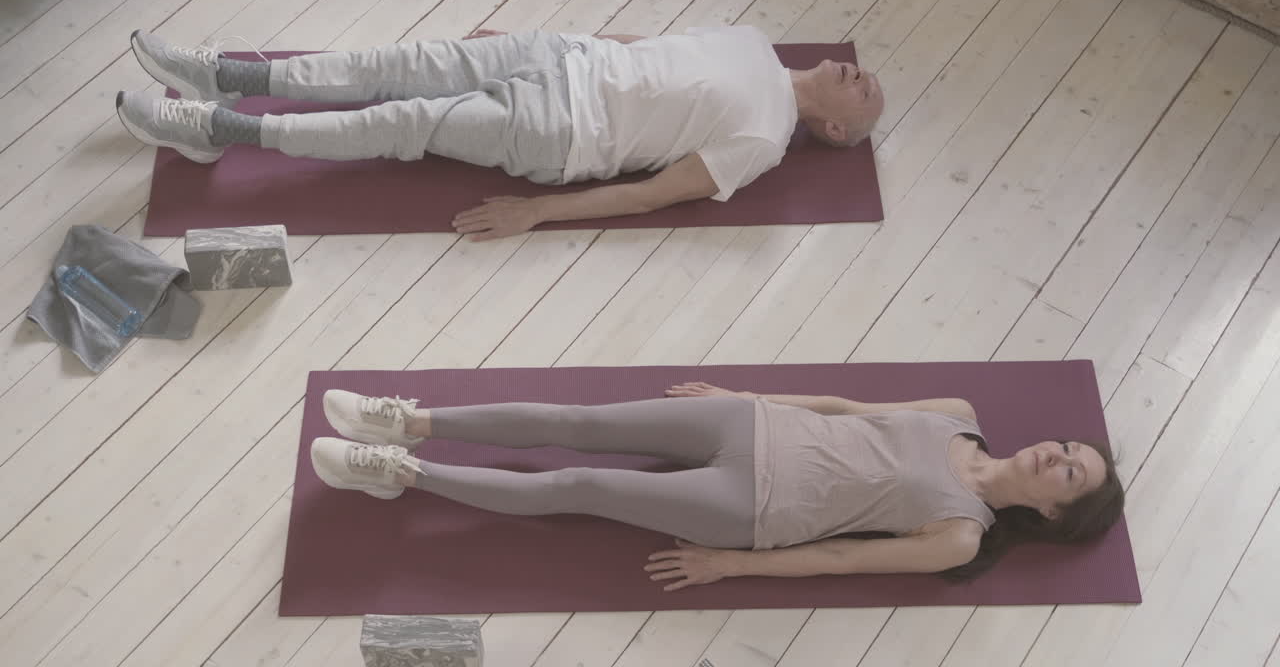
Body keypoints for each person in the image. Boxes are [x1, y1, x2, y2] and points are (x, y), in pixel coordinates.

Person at [309, 382, 1124, 591]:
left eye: (1069, 471)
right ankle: (408, 422)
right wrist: (746, 395)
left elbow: (841, 561)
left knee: (579, 481)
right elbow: (848, 407)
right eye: (1067, 446)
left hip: (755, 509)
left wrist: (734, 567)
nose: (1056, 453)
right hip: (751, 424)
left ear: (1052, 509)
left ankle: (400, 476)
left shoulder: (961, 532)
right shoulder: (958, 414)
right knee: (577, 421)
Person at [114, 26, 884, 240]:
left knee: (401, 122)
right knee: (396, 63)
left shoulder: (766, 138)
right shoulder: (756, 42)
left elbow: (659, 194)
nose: (866, 75)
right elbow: (650, 45)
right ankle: (233, 77)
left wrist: (537, 212)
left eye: (869, 95)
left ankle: (217, 129)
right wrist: (533, 37)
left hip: (565, 131)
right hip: (562, 54)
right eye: (868, 71)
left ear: (838, 127)